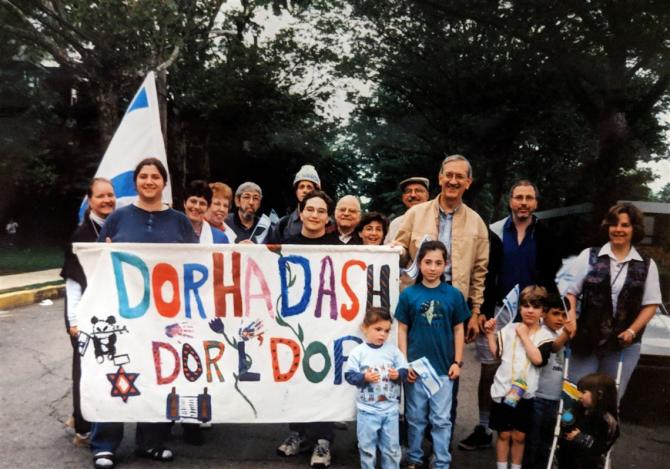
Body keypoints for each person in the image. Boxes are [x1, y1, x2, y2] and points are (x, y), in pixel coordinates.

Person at [91, 158, 197, 469]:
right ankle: (105, 444)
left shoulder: (179, 221)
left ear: (164, 183)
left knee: (158, 374)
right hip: (122, 313)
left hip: (164, 314)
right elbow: (98, 262)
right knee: (116, 373)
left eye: (155, 176)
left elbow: (194, 264)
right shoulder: (118, 218)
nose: (149, 181)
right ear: (136, 182)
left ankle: (151, 441)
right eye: (143, 176)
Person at [392, 154, 489, 439]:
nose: (453, 181)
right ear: (439, 178)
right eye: (449, 175)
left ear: (468, 182)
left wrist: (475, 311)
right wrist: (398, 250)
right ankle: (415, 447)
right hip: (416, 307)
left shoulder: (477, 223)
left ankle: (440, 448)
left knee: (449, 376)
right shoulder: (415, 214)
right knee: (414, 376)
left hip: (451, 312)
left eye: (460, 176)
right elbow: (399, 248)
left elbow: (480, 272)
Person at [461, 180, 561, 452]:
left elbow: (553, 279)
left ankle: (519, 429)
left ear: (536, 203)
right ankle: (483, 427)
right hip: (497, 312)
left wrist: (549, 315)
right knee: (490, 368)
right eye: (519, 197)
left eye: (529, 198)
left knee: (528, 369)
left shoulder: (547, 235)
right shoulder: (493, 231)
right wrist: (480, 310)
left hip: (533, 313)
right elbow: (483, 272)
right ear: (510, 201)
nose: (524, 203)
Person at [565, 203, 662, 399]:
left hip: (622, 345)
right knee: (576, 395)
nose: (618, 229)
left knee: (609, 399)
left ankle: (602, 430)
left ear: (634, 228)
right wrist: (571, 318)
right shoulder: (589, 256)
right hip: (586, 339)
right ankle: (574, 430)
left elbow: (651, 304)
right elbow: (570, 292)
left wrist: (632, 330)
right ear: (607, 227)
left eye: (625, 225)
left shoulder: (647, 264)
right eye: (613, 224)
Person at [276, 190, 340, 467]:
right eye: (310, 209)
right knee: (296, 379)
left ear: (328, 218)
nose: (315, 215)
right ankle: (297, 434)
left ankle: (323, 441)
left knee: (323, 380)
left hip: (328, 324)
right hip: (294, 324)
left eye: (321, 211)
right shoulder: (286, 244)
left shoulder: (339, 247)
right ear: (300, 213)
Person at [396, 240, 470, 469]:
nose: (432, 267)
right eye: (427, 262)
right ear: (419, 263)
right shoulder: (409, 294)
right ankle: (415, 458)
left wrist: (457, 361)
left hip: (443, 369)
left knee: (441, 419)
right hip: (416, 370)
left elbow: (459, 329)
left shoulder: (454, 295)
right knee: (415, 418)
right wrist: (404, 363)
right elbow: (402, 329)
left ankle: (441, 460)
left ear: (445, 265)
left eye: (438, 263)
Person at [60, 177, 116, 447]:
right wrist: (74, 321)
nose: (107, 200)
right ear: (90, 200)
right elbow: (72, 282)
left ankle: (97, 417)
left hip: (110, 312)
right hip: (83, 313)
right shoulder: (81, 235)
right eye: (101, 196)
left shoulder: (117, 228)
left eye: (110, 195)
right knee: (84, 370)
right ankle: (83, 428)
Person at [483, 285, 554, 469]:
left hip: (525, 393)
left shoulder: (545, 336)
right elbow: (496, 354)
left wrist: (524, 336)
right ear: (520, 308)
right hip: (503, 390)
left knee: (519, 436)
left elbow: (538, 359)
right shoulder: (509, 328)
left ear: (543, 311)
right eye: (525, 306)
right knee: (504, 434)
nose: (530, 310)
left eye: (535, 306)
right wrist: (490, 334)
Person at [345, 307, 409, 469]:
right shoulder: (358, 352)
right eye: (378, 329)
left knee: (391, 449)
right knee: (367, 448)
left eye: (387, 331)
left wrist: (398, 375)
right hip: (367, 411)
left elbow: (404, 369)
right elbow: (349, 375)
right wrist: (363, 377)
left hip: (390, 410)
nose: (382, 334)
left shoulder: (393, 351)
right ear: (365, 328)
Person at [522, 294, 576, 469]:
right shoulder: (542, 333)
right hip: (538, 396)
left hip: (554, 399)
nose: (560, 319)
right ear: (544, 314)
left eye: (563, 315)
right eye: (556, 314)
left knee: (548, 439)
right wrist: (566, 334)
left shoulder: (562, 333)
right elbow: (554, 347)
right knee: (533, 440)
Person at [558, 373, 620, 469]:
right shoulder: (579, 407)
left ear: (599, 395)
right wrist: (566, 420)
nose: (580, 396)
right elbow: (566, 423)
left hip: (589, 460)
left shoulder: (606, 420)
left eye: (583, 392)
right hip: (568, 456)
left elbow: (604, 445)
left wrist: (582, 438)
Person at [270, 164, 321, 243]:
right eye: (301, 187)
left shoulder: (328, 223)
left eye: (309, 187)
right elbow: (272, 252)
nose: (305, 190)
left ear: (317, 191)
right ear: (296, 191)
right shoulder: (283, 224)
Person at [384, 177, 430, 244]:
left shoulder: (437, 219)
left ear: (427, 195)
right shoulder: (396, 223)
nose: (413, 195)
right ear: (403, 197)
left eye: (418, 191)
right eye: (408, 191)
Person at [183, 180, 229, 244]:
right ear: (184, 203)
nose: (197, 207)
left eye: (202, 203)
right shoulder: (170, 231)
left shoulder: (220, 238)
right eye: (193, 201)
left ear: (207, 208)